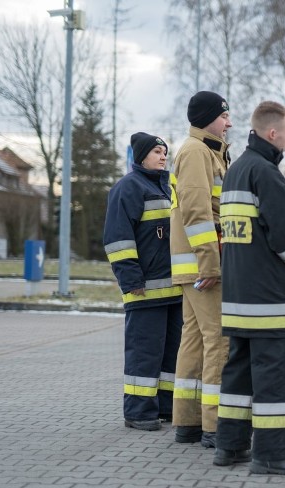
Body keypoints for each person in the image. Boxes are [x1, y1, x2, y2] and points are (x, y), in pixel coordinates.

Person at [214, 101, 285, 475]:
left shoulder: (237, 170)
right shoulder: (268, 175)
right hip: (271, 304)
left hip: (239, 300)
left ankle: (230, 446)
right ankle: (272, 455)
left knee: (238, 377)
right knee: (275, 380)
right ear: (272, 133)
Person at [103, 132, 183, 431]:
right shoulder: (127, 188)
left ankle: (165, 407)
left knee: (171, 353)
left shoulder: (170, 186)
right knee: (144, 354)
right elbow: (117, 240)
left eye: (165, 151)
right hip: (144, 289)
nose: (163, 156)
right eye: (157, 151)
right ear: (141, 156)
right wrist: (131, 279)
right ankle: (138, 412)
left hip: (175, 290)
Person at [169, 91, 232, 448]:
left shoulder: (205, 151)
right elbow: (197, 212)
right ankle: (214, 424)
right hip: (204, 265)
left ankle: (188, 421)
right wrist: (210, 263)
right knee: (218, 341)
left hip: (192, 265)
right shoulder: (196, 152)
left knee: (193, 341)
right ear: (208, 117)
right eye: (224, 116)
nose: (229, 122)